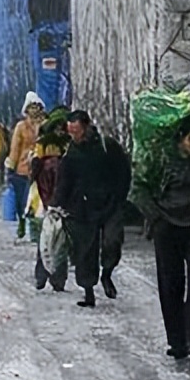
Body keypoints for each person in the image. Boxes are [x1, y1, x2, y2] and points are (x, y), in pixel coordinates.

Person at [130, 97, 190, 359]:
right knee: (170, 282)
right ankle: (177, 340)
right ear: (180, 139)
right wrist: (156, 218)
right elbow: (138, 189)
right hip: (167, 225)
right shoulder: (160, 158)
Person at [49, 110, 131, 308]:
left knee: (112, 242)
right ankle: (88, 292)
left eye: (76, 130)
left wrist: (120, 197)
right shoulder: (71, 153)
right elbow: (64, 182)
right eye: (71, 131)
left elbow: (123, 171)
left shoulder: (107, 146)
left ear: (85, 126)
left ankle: (107, 274)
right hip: (82, 208)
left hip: (110, 204)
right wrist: (56, 204)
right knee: (85, 251)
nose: (74, 135)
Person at [30, 106, 70, 291]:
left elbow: (34, 170)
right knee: (60, 240)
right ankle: (57, 279)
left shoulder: (43, 145)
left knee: (46, 238)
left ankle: (43, 276)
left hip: (43, 197)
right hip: (59, 199)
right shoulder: (67, 146)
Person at [5, 92, 46, 240]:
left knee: (23, 200)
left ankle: (25, 225)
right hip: (39, 169)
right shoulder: (44, 125)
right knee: (34, 200)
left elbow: (15, 149)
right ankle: (33, 229)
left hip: (22, 169)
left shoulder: (21, 127)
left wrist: (10, 166)